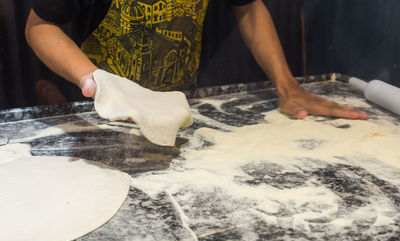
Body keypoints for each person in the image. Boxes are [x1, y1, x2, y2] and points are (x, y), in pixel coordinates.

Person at [25, 0, 368, 120]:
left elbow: (248, 7)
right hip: (101, 112)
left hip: (179, 106)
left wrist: (287, 85)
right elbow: (39, 26)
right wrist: (96, 81)